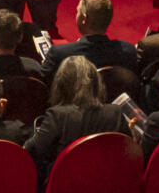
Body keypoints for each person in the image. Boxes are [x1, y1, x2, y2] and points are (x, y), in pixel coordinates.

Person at [26, 53, 118, 184]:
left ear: (61, 86)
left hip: (63, 188)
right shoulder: (115, 112)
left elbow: (32, 150)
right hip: (104, 183)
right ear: (96, 83)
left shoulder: (57, 115)